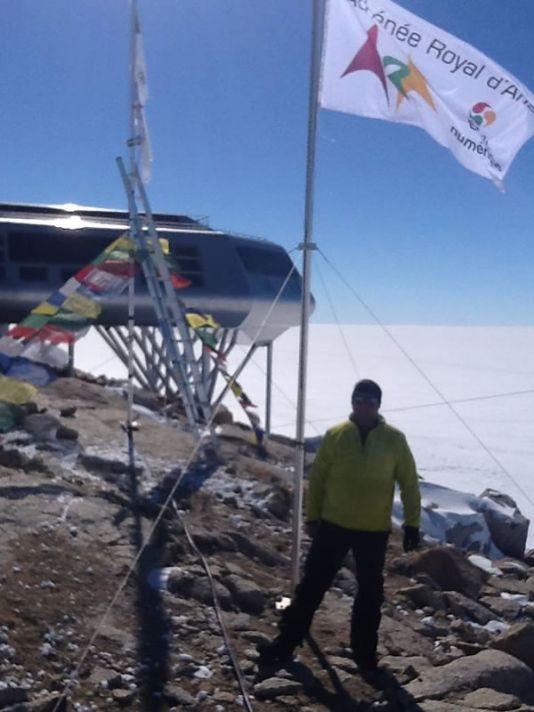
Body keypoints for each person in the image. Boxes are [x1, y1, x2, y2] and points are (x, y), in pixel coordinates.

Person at [258, 379, 421, 674]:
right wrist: (312, 517)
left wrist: (412, 524)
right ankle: (284, 645)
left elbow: (409, 483)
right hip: (333, 526)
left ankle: (365, 656)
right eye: (360, 398)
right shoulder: (336, 435)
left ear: (378, 405)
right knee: (311, 588)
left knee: (370, 594)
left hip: (373, 531)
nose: (364, 404)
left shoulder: (395, 440)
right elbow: (318, 480)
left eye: (370, 399)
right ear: (352, 402)